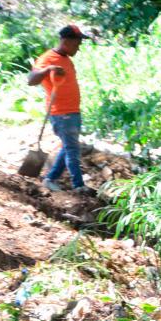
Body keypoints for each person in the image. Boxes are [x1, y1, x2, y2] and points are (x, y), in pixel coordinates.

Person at [26, 24, 95, 196]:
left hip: (72, 111)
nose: (78, 48)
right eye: (77, 44)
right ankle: (78, 186)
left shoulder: (67, 60)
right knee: (72, 149)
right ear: (66, 41)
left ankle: (50, 178)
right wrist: (48, 69)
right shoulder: (48, 59)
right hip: (61, 112)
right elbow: (31, 80)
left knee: (69, 147)